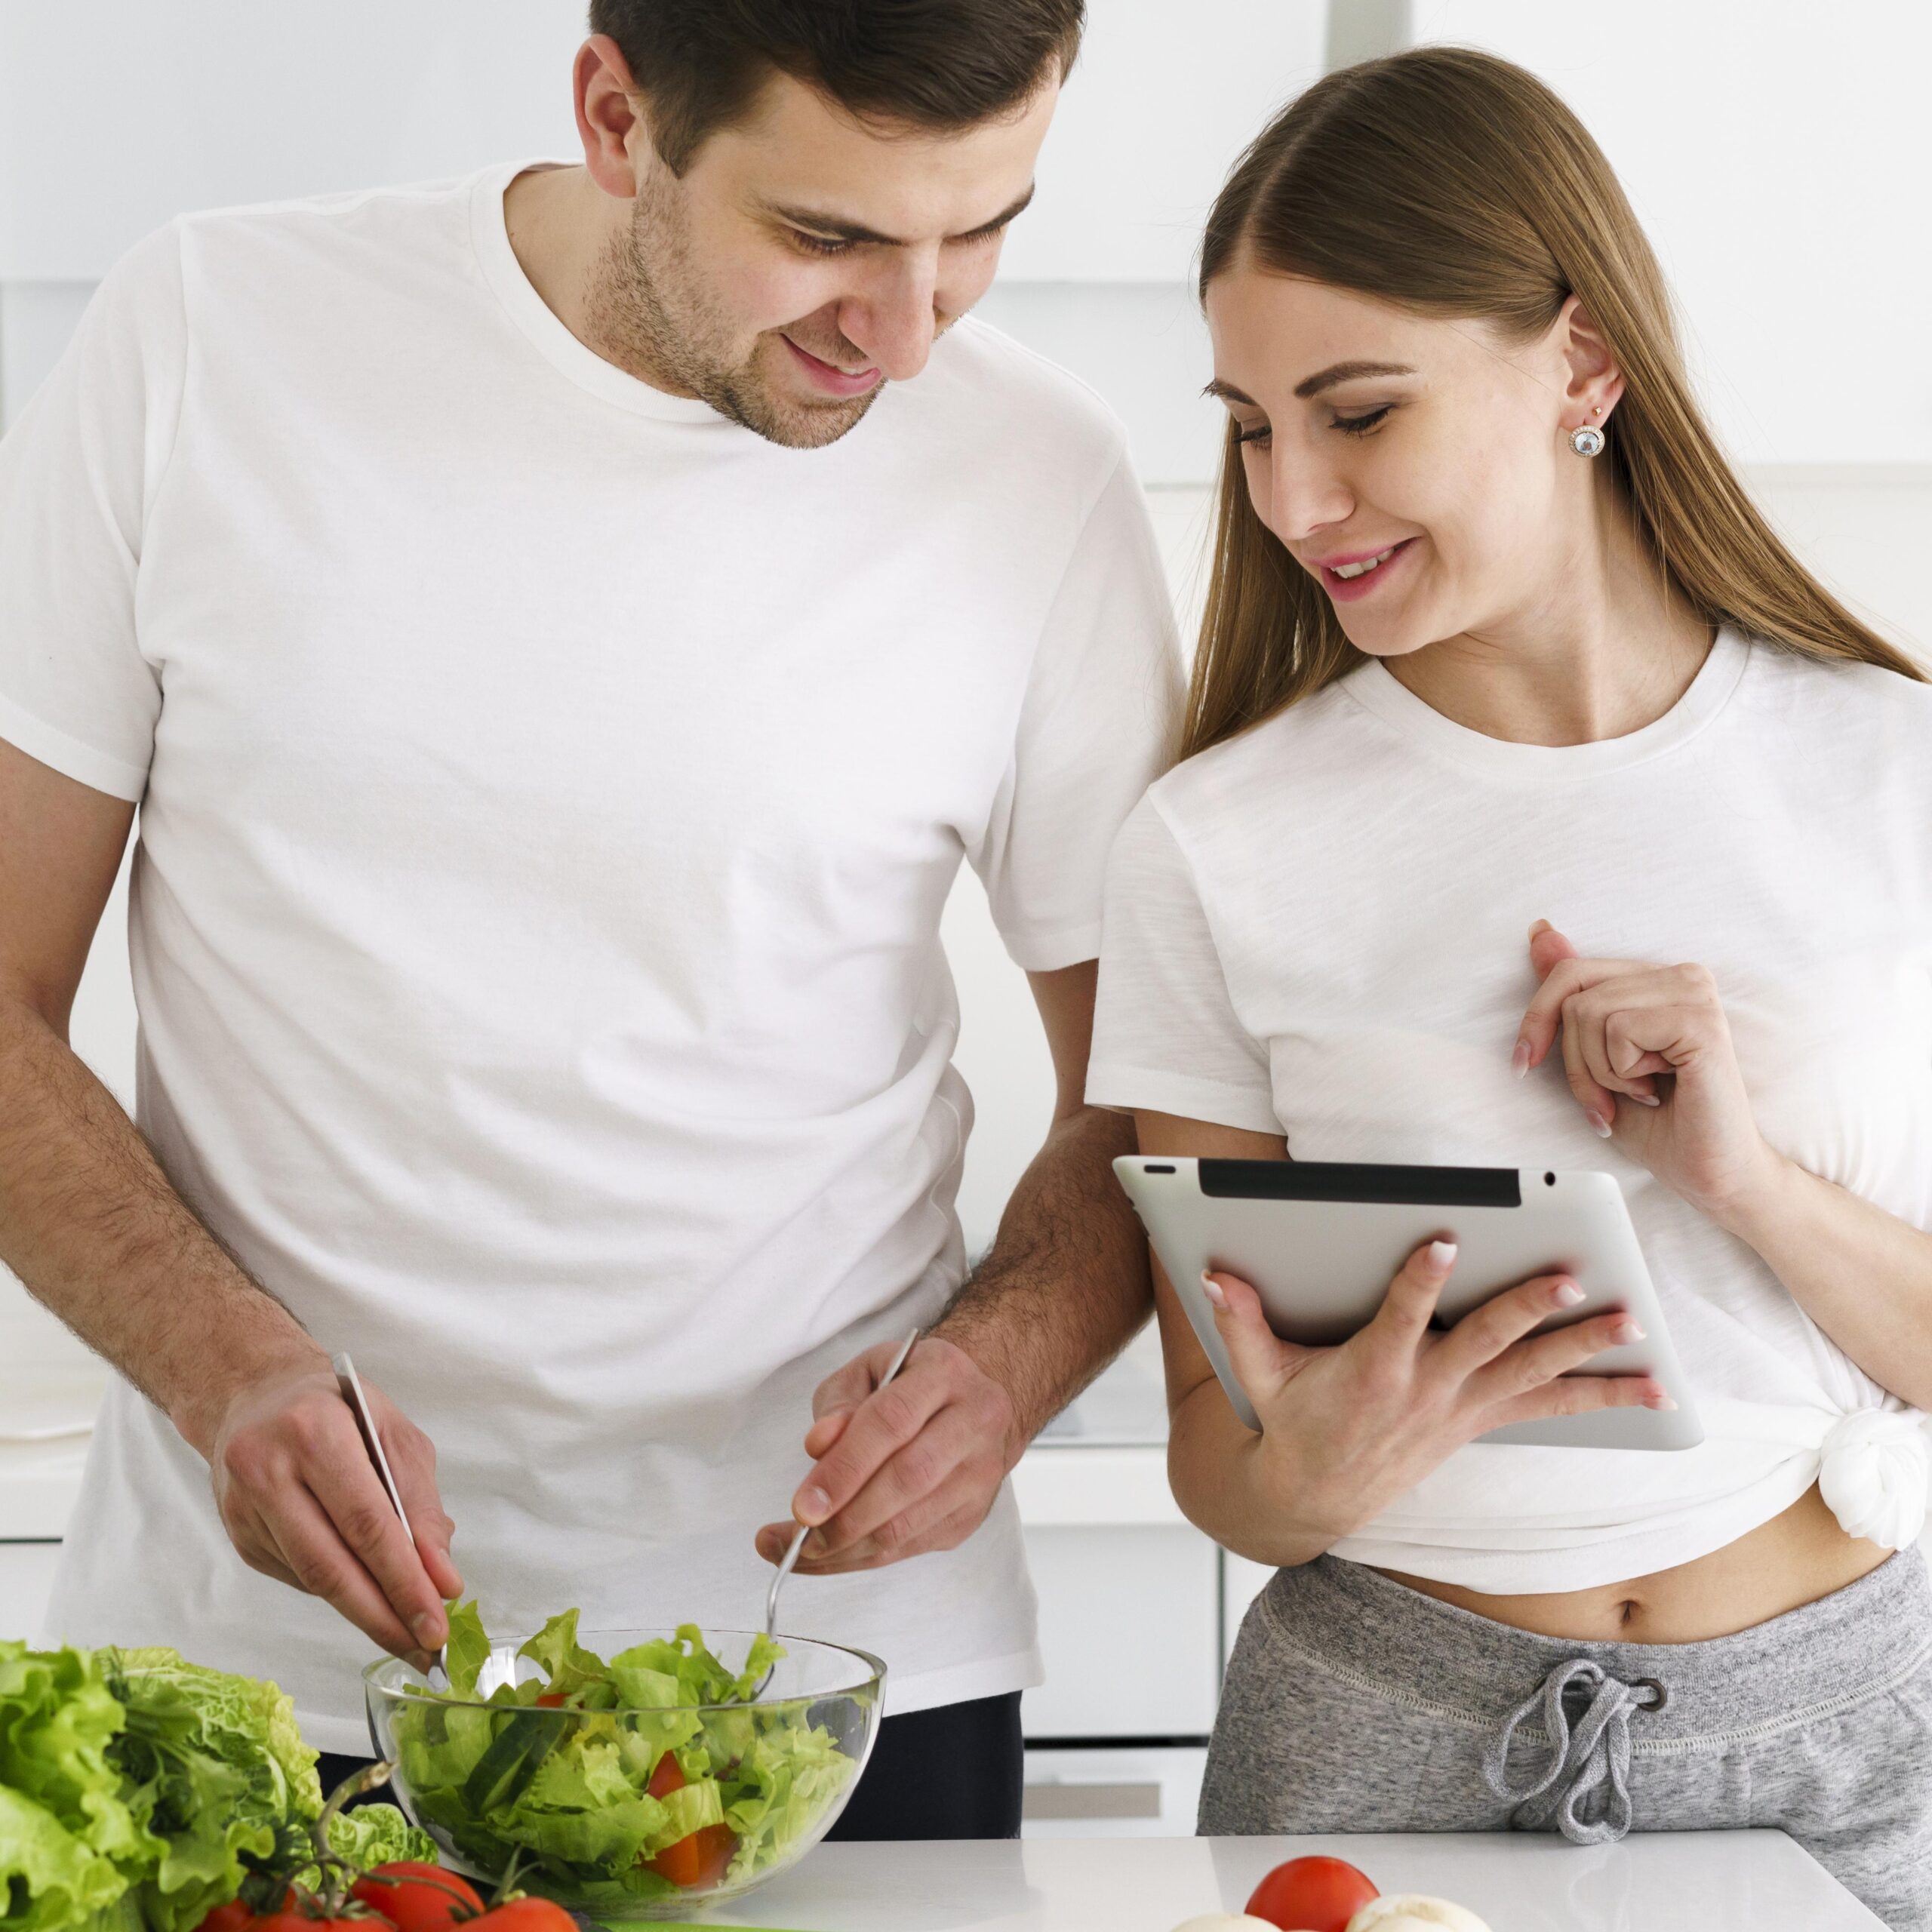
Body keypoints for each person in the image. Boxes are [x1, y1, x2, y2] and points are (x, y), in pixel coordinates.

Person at [0, 0, 1181, 1839]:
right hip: (259, 1672)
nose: (909, 333)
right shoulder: (209, 339)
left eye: (981, 231)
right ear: (618, 117)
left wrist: (1002, 1372)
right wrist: (217, 1363)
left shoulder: (1040, 471)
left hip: (827, 1696)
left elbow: (1157, 1091)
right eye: (828, 237)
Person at [1085, 46, 1932, 1926]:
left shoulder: (1894, 771)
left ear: (1578, 362)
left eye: (1358, 412)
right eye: (1245, 425)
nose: (1294, 498)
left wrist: (1744, 1184)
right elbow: (1220, 1467)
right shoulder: (1214, 840)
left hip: (1843, 1737)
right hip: (1377, 1731)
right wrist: (1310, 1469)